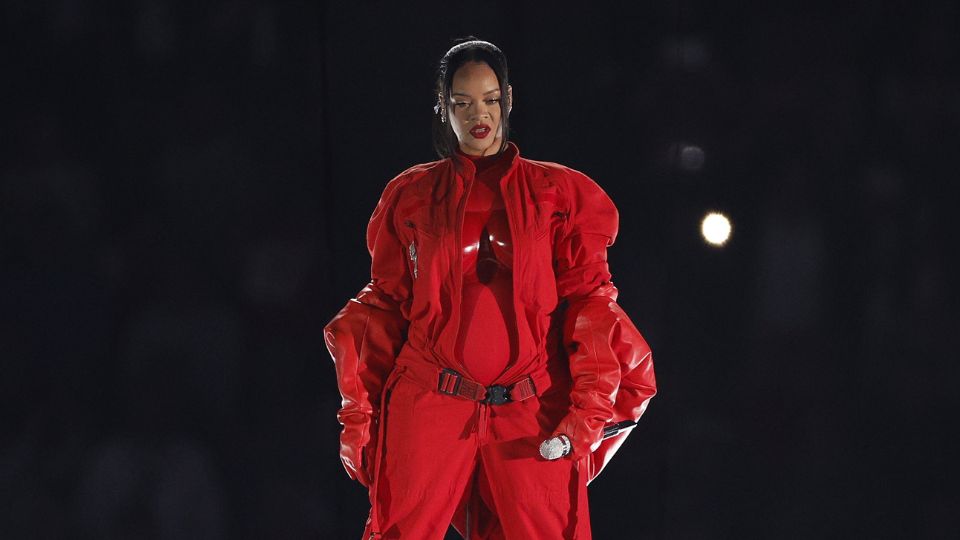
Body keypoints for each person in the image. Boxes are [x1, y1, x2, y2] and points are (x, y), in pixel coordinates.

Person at [324, 37, 656, 539]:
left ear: (508, 98)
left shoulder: (559, 194)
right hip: (432, 395)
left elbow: (590, 303)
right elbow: (385, 306)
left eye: (490, 99)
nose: (478, 115)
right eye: (462, 103)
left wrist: (586, 410)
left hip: (529, 403)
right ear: (443, 107)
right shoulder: (410, 196)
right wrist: (359, 416)